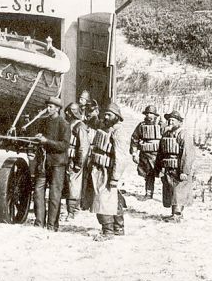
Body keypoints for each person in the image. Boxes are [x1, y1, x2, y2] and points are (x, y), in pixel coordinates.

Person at [82, 102, 127, 240]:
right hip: (99, 169)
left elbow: (120, 157)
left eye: (109, 115)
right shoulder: (106, 128)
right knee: (112, 199)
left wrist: (115, 177)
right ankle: (118, 228)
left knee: (103, 200)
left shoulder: (118, 132)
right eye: (105, 114)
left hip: (108, 171)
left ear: (116, 116)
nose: (106, 117)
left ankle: (108, 231)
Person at [31, 96, 71, 231]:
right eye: (47, 106)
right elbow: (40, 138)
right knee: (37, 192)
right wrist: (37, 138)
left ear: (58, 109)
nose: (48, 109)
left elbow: (64, 146)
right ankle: (39, 223)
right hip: (43, 162)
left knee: (54, 196)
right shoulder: (44, 122)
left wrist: (46, 141)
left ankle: (52, 225)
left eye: (51, 107)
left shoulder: (64, 124)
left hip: (57, 164)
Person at [156, 110, 195, 223]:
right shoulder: (167, 134)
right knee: (171, 190)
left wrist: (184, 171)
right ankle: (174, 213)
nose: (170, 122)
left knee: (179, 190)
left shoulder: (183, 134)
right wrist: (159, 167)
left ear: (179, 122)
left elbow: (188, 154)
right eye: (169, 120)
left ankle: (177, 215)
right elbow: (161, 152)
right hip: (168, 167)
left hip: (179, 168)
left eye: (173, 120)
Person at [63, 102, 90, 222]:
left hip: (74, 161)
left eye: (69, 111)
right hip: (67, 159)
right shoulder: (70, 124)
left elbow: (83, 147)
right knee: (69, 185)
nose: (67, 114)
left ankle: (72, 212)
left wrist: (79, 163)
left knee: (74, 185)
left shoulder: (80, 126)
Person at [130, 105, 163, 198]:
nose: (149, 115)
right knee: (148, 174)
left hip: (159, 154)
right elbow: (134, 139)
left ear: (155, 115)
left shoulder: (161, 125)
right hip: (145, 154)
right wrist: (134, 153)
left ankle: (167, 197)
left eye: (151, 113)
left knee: (164, 174)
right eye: (147, 113)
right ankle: (149, 193)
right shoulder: (141, 125)